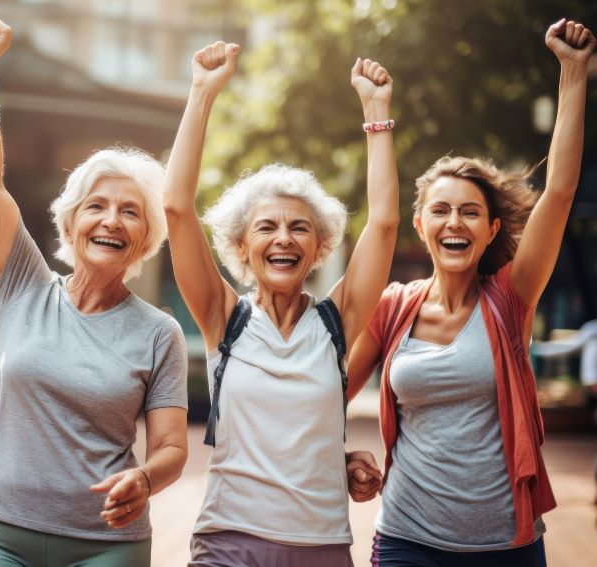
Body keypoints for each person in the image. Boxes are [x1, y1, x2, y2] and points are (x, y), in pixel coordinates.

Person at [345, 17, 595, 567]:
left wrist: (573, 75)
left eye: (469, 211)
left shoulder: (511, 298)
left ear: (490, 230)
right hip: (407, 541)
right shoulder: (393, 307)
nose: (454, 220)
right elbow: (324, 398)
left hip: (506, 545)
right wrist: (336, 456)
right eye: (440, 209)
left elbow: (558, 192)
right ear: (420, 224)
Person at [0, 16, 188, 567]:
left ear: (145, 237)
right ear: (72, 222)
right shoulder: (23, 282)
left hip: (106, 544)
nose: (112, 220)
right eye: (97, 206)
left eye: (130, 211)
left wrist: (145, 478)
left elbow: (172, 448)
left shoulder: (160, 332)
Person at [162, 40, 397, 566]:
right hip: (227, 542)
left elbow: (383, 223)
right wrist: (201, 92)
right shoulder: (225, 318)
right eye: (266, 227)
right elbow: (177, 208)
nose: (284, 238)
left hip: (322, 545)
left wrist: (376, 112)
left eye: (300, 228)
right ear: (242, 246)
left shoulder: (337, 322)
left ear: (319, 248)